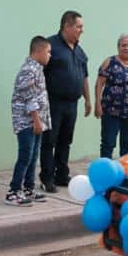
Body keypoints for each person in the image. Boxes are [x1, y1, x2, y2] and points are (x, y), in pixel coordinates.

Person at [40, 10, 90, 193]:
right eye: (79, 26)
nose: (81, 30)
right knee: (49, 140)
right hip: (53, 102)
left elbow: (84, 76)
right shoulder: (50, 45)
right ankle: (47, 177)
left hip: (72, 103)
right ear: (67, 26)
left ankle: (62, 174)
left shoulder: (79, 49)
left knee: (65, 140)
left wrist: (88, 100)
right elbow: (39, 72)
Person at [7, 36, 53, 206]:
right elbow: (29, 99)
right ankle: (13, 192)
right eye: (48, 52)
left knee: (33, 156)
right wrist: (36, 121)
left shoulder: (37, 69)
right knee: (25, 155)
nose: (49, 56)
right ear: (39, 51)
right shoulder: (28, 70)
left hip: (36, 122)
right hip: (28, 122)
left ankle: (28, 188)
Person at [95, 34, 128, 158]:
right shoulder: (110, 62)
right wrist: (97, 104)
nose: (126, 48)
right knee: (108, 143)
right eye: (123, 45)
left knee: (127, 145)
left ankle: (124, 173)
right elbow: (99, 84)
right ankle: (105, 172)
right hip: (111, 112)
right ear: (118, 47)